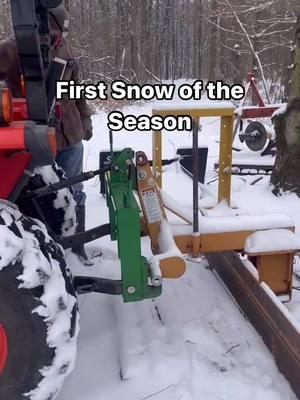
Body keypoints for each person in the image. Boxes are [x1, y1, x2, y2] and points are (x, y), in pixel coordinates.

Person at [0, 5, 94, 262]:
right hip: (36, 139)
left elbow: (77, 89)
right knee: (40, 196)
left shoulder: (65, 48)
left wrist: (85, 118)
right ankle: (47, 251)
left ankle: (78, 247)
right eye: (56, 27)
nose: (57, 34)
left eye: (61, 30)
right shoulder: (11, 48)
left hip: (69, 135)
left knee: (75, 190)